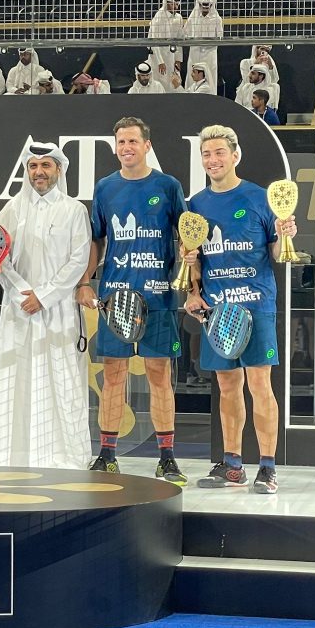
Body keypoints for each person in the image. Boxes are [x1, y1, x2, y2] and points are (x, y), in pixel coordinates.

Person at [183, 124, 297, 494]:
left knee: (259, 384)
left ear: (235, 156)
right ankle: (232, 465)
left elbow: (278, 254)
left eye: (219, 152)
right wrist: (194, 292)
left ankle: (267, 467)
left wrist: (285, 236)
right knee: (227, 385)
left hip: (255, 305)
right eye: (206, 154)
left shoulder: (260, 198)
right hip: (217, 312)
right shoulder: (195, 205)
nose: (212, 160)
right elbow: (194, 259)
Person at [76, 117, 188, 484]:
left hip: (158, 296)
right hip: (116, 297)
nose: (126, 148)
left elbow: (186, 236)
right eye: (121, 142)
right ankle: (107, 455)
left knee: (159, 375)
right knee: (113, 375)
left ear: (147, 145)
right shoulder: (105, 187)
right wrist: (85, 281)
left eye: (133, 141)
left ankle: (167, 458)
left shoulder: (168, 186)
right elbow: (96, 239)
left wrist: (192, 280)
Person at [0, 141, 91, 469]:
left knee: (63, 381)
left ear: (59, 170)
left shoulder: (74, 210)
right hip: (18, 310)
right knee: (14, 378)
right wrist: (22, 294)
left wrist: (44, 296)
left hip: (59, 311)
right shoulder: (11, 210)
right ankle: (9, 456)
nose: (39, 172)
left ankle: (66, 457)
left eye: (46, 165)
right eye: (33, 166)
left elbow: (79, 259)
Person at [147, 0, 184, 93]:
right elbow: (153, 41)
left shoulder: (178, 18)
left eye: (177, 4)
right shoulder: (158, 18)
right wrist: (160, 61)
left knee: (172, 82)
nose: (176, 7)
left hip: (171, 55)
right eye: (173, 4)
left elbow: (179, 40)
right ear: (166, 4)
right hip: (158, 56)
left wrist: (178, 59)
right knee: (159, 82)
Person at [185, 0, 223, 87]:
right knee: (192, 77)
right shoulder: (193, 18)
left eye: (207, 5)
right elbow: (185, 32)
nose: (205, 8)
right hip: (195, 52)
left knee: (210, 78)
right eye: (203, 5)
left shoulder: (217, 19)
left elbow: (220, 37)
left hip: (210, 53)